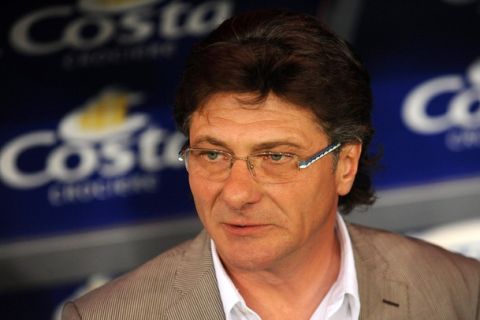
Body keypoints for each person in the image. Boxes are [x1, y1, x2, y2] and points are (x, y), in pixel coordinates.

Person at [62, 9, 480, 320]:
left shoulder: (458, 292)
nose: (237, 193)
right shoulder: (106, 316)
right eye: (212, 155)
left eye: (276, 157)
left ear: (345, 165)